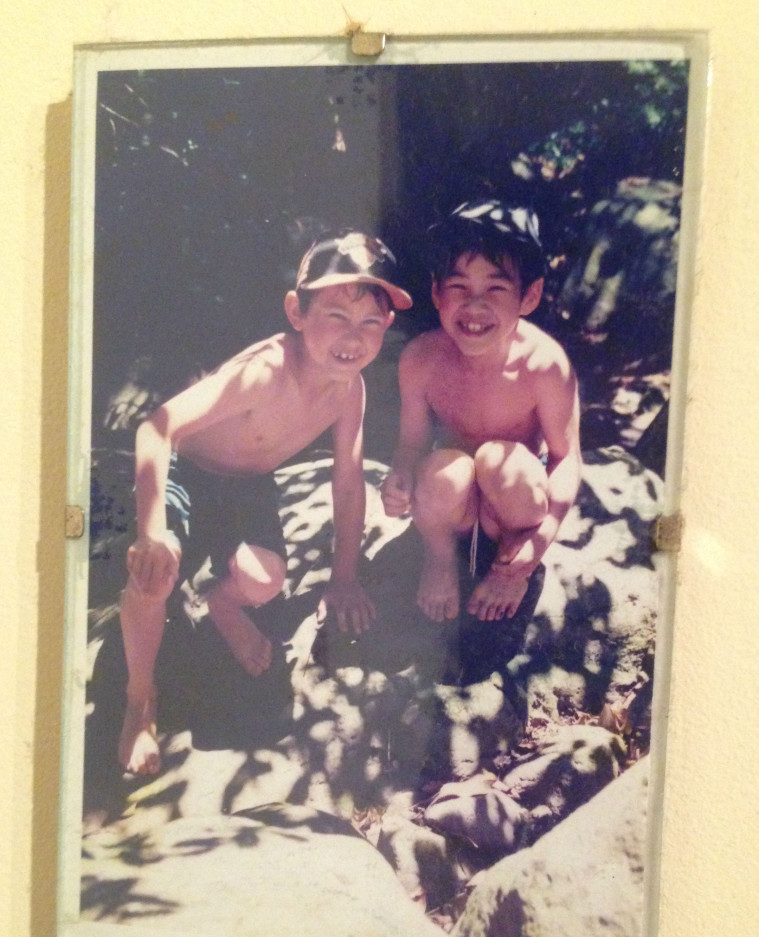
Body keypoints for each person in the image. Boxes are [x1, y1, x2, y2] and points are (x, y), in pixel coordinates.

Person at [119, 230, 412, 775]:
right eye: (337, 317)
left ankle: (221, 603)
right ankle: (141, 702)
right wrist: (151, 530)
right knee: (154, 575)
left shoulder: (351, 388)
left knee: (266, 580)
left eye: (370, 321)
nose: (354, 337)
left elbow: (347, 482)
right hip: (188, 471)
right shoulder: (264, 371)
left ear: (387, 327)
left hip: (248, 488)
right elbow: (155, 428)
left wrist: (343, 577)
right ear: (296, 313)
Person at [381, 199, 581, 626]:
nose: (474, 307)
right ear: (436, 292)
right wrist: (399, 477)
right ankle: (438, 559)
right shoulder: (420, 359)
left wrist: (538, 542)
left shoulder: (546, 365)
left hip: (510, 507)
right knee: (440, 469)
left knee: (500, 460)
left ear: (529, 295)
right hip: (452, 506)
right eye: (458, 287)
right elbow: (411, 445)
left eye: (495, 288)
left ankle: (511, 564)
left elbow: (566, 460)